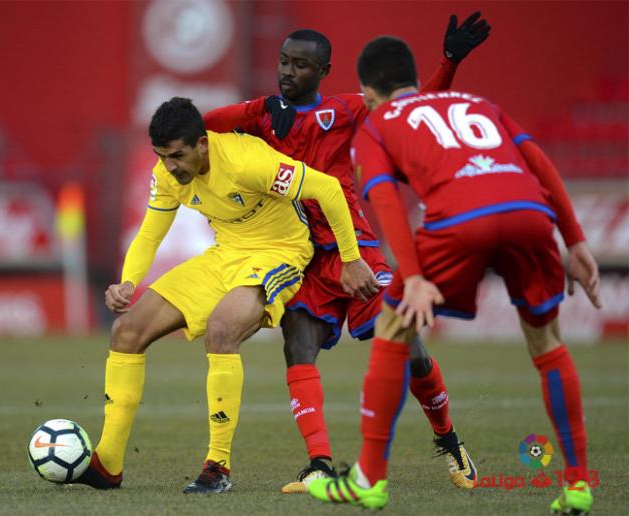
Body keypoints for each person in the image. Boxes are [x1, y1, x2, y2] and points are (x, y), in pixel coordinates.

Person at [307, 36, 601, 513]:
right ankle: (577, 485)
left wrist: (416, 275)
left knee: (392, 328)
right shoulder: (477, 103)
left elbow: (383, 198)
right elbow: (538, 162)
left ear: (368, 92)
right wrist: (576, 238)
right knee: (548, 345)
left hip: (458, 219)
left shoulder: (377, 124)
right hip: (528, 213)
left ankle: (368, 480)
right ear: (417, 83)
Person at [204, 13, 490, 493]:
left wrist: (449, 62)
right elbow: (203, 128)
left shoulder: (346, 110)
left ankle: (449, 439)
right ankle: (318, 463)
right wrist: (231, 114)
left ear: (323, 71)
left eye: (300, 65)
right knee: (297, 345)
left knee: (408, 348)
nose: (288, 72)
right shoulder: (259, 115)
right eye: (283, 62)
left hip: (355, 250)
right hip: (302, 260)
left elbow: (410, 107)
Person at [74, 97, 379, 493]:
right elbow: (150, 232)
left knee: (221, 330)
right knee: (126, 331)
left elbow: (328, 189)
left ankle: (217, 466)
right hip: (223, 256)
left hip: (278, 253)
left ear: (202, 143)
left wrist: (352, 259)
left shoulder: (246, 161)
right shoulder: (167, 174)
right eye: (162, 156)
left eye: (178, 156)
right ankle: (107, 464)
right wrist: (128, 282)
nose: (170, 166)